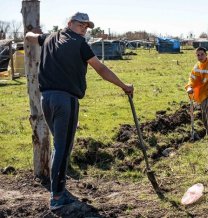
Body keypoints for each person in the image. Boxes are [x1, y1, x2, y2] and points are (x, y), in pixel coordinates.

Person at [25, 12, 134, 210]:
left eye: (86, 26)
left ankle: (58, 188)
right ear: (70, 23)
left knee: (60, 146)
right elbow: (100, 69)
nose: (84, 29)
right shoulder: (80, 44)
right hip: (66, 100)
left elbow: (29, 38)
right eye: (81, 25)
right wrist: (123, 85)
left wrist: (32, 33)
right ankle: (57, 197)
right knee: (63, 147)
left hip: (46, 99)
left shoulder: (49, 37)